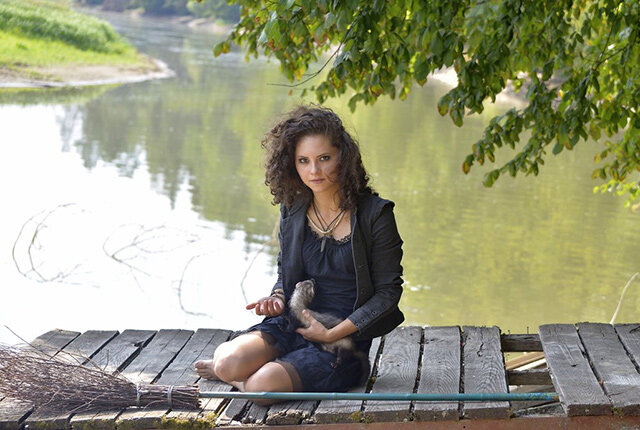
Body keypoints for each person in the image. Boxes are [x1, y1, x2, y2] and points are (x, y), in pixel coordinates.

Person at [194, 105, 404, 403]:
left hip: (341, 343)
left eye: (324, 158)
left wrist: (331, 334)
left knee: (261, 387)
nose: (313, 171)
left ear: (344, 158)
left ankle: (247, 381)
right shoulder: (293, 209)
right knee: (227, 361)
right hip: (291, 324)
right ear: (292, 164)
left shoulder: (376, 214)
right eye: (303, 161)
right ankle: (238, 373)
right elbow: (286, 274)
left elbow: (388, 294)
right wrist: (277, 298)